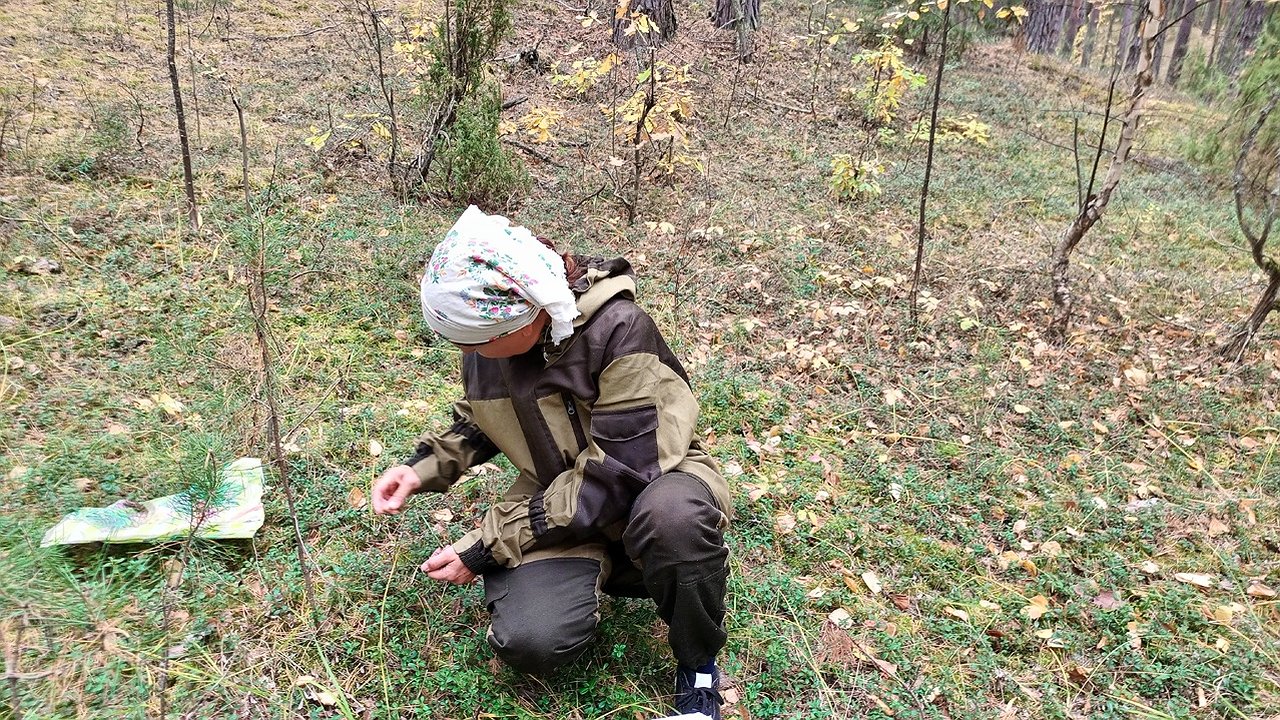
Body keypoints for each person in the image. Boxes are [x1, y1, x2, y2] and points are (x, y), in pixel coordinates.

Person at [371, 206, 732, 720]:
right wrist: (423, 468)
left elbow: (622, 473)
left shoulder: (619, 331)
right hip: (559, 493)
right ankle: (608, 570)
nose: (462, 349)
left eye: (472, 339)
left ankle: (697, 666)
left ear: (525, 310)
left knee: (673, 520)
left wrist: (488, 543)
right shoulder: (492, 345)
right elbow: (484, 421)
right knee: (532, 639)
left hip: (653, 482)